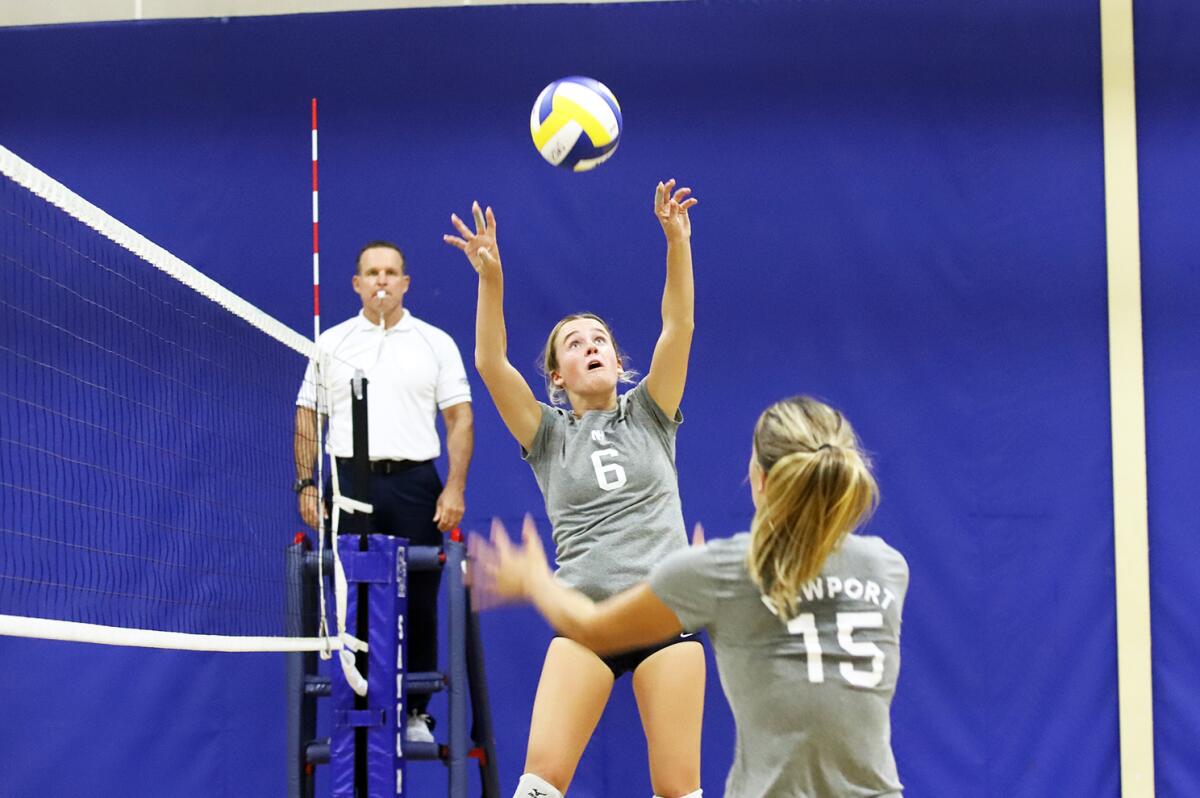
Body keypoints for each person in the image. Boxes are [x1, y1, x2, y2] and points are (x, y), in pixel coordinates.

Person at [472, 395, 909, 798]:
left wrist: (535, 580)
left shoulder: (728, 568)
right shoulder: (888, 568)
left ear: (759, 481)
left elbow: (592, 628)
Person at [443, 180, 704, 798]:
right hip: (584, 620)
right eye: (574, 343)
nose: (591, 346)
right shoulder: (547, 434)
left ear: (618, 363)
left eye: (600, 341)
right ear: (557, 378)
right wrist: (491, 279)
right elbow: (489, 363)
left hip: (663, 615)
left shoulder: (650, 414)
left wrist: (676, 243)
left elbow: (680, 324)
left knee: (679, 792)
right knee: (538, 786)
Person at [293, 240, 474, 743]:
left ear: (405, 283)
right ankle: (361, 714)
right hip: (350, 483)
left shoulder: (435, 342)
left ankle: (415, 712)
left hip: (416, 483)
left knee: (419, 599)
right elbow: (308, 414)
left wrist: (454, 486)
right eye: (371, 272)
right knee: (355, 600)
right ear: (356, 283)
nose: (381, 281)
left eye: (391, 272)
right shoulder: (331, 343)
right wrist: (308, 483)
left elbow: (459, 417)